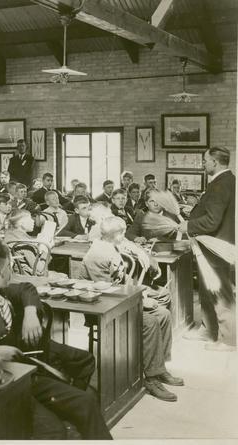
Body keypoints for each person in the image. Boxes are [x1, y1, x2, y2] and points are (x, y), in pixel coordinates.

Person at [0, 240, 111, 440]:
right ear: (2, 270)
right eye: (10, 266)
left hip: (22, 375)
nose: (11, 271)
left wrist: (30, 312)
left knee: (86, 402)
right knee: (53, 431)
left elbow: (27, 288)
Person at [80, 217, 184, 401]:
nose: (124, 235)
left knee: (164, 314)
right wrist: (142, 301)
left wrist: (141, 295)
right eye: (122, 232)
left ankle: (158, 368)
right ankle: (151, 378)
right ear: (117, 234)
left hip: (119, 300)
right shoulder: (99, 254)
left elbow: (121, 282)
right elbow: (110, 291)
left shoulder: (110, 245)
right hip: (106, 308)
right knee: (151, 320)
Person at [179, 147, 235, 351]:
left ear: (215, 162)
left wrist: (189, 225)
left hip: (217, 247)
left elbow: (212, 221)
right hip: (211, 247)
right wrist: (194, 211)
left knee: (220, 292)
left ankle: (229, 340)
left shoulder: (220, 184)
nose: (203, 164)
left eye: (205, 161)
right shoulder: (227, 180)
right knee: (207, 290)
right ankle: (208, 329)